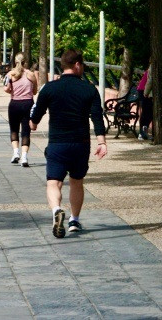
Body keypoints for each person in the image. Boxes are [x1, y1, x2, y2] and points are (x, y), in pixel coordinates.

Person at [29, 49, 107, 238]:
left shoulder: (49, 88)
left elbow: (34, 119)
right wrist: (101, 142)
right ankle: (74, 220)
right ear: (77, 65)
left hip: (57, 144)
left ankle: (56, 210)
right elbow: (97, 117)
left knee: (53, 183)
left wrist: (32, 123)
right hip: (80, 143)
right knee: (76, 182)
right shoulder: (89, 89)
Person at [5, 52, 38, 166]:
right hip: (28, 104)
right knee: (26, 131)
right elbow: (34, 91)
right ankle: (24, 157)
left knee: (14, 129)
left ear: (15, 61)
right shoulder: (31, 74)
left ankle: (15, 153)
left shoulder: (11, 74)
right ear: (25, 62)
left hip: (14, 104)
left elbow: (7, 89)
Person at [137, 64, 153, 140]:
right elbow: (150, 81)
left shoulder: (151, 66)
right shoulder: (154, 66)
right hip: (145, 90)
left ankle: (143, 131)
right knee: (147, 112)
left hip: (143, 89)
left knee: (146, 112)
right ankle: (142, 132)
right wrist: (146, 93)